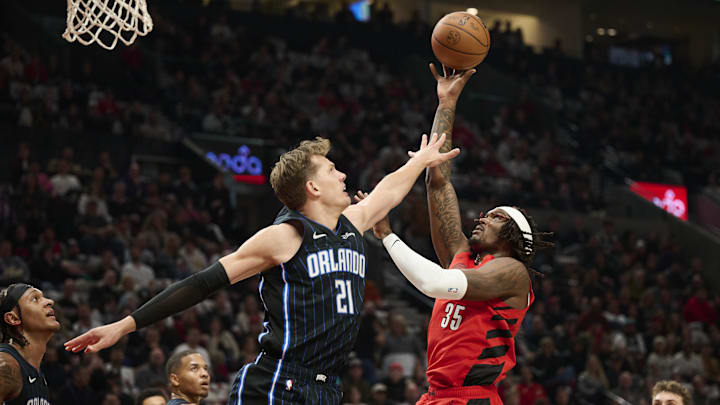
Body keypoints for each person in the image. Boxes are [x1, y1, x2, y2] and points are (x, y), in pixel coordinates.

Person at [65, 134, 459, 404]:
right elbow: (202, 283)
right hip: (278, 385)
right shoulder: (285, 236)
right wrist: (124, 325)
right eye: (332, 170)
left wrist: (425, 155)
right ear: (312, 188)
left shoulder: (353, 222)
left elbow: (391, 188)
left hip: (327, 389)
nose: (343, 176)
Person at [369, 64, 553, 405]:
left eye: (495, 217)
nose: (482, 218)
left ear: (513, 236)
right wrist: (447, 104)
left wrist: (388, 236)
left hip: (471, 398)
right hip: (437, 396)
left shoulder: (513, 273)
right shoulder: (467, 257)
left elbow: (435, 284)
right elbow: (437, 179)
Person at [0, 283, 60, 403]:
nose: (50, 301)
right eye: (35, 299)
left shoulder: (36, 373)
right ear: (13, 318)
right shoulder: (6, 365)